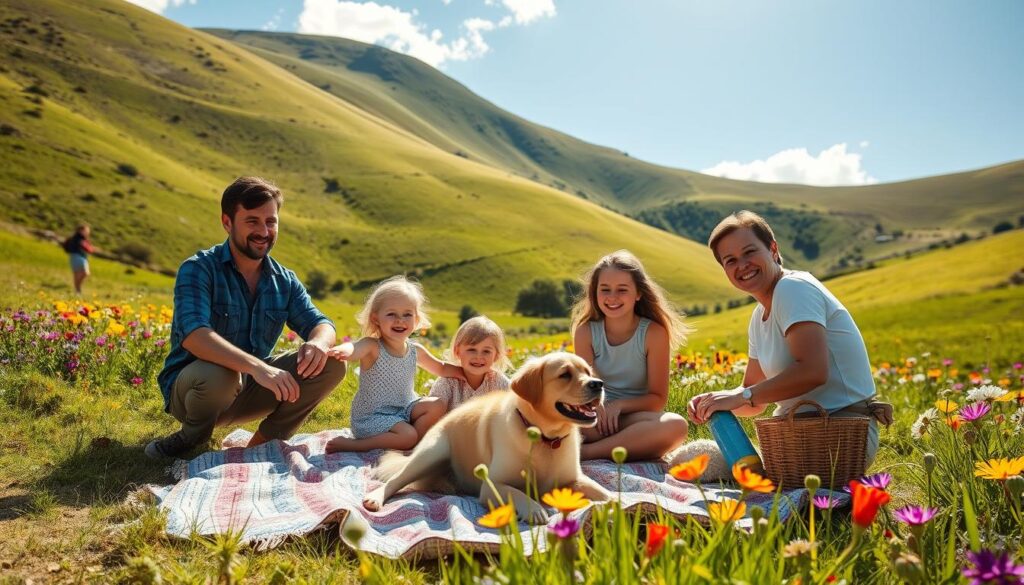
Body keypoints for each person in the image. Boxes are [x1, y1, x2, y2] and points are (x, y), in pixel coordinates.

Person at [147, 176, 346, 459]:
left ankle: (261, 446)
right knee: (222, 373)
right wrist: (258, 368)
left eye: (271, 221)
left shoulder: (284, 279)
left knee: (331, 364)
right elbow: (194, 335)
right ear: (227, 222)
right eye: (252, 221)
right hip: (195, 389)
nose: (263, 231)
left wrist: (319, 343)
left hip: (250, 388)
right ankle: (190, 439)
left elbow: (321, 323)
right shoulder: (198, 269)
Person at [687, 210, 892, 466]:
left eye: (750, 252)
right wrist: (713, 401)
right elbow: (753, 402)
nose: (742, 265)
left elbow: (813, 371)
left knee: (730, 480)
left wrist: (742, 396)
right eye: (730, 260)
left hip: (840, 435)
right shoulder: (758, 316)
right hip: (795, 436)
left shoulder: (793, 288)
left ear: (773, 249)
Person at [571, 250, 691, 461]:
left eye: (622, 289)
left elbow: (657, 400)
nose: (612, 297)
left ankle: (587, 453)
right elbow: (584, 387)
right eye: (605, 289)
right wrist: (600, 408)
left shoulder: (653, 333)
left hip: (635, 419)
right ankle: (625, 446)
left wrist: (618, 406)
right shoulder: (585, 332)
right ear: (595, 293)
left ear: (638, 293)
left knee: (676, 426)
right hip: (594, 418)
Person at [324, 276, 464, 453]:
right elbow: (355, 347)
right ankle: (357, 445)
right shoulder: (373, 346)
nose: (400, 320)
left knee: (437, 404)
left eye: (407, 314)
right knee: (408, 435)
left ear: (417, 319)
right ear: (376, 319)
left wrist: (464, 372)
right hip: (373, 417)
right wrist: (344, 349)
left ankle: (413, 446)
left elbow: (441, 368)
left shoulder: (415, 350)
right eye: (391, 314)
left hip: (405, 409)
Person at [429, 315, 511, 412]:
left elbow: (511, 412)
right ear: (457, 351)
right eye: (472, 349)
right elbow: (433, 412)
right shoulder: (448, 382)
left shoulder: (500, 383)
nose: (478, 356)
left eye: (486, 351)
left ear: (496, 356)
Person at [63, 224, 94, 294]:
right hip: (80, 257)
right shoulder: (80, 239)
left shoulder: (74, 238)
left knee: (77, 274)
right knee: (85, 273)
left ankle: (77, 290)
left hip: (73, 257)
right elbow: (88, 248)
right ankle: (78, 288)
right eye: (86, 231)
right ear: (81, 231)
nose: (88, 232)